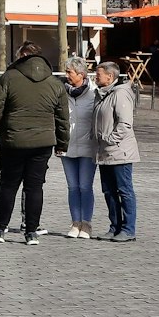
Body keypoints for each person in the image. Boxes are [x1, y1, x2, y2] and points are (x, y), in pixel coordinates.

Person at [0, 41, 70, 244]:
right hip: (43, 142)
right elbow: (63, 118)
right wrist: (62, 144)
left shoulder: (9, 78)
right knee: (34, 187)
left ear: (21, 56)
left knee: (8, 185)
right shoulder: (55, 83)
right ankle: (31, 232)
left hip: (13, 140)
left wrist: (4, 127)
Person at [94, 61, 140, 242]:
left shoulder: (120, 95)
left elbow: (125, 123)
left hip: (119, 152)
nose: (95, 77)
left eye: (98, 75)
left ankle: (128, 229)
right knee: (109, 191)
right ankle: (115, 227)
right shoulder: (103, 94)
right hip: (105, 152)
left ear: (110, 76)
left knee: (124, 190)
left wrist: (109, 140)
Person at [61, 60, 99, 239]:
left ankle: (87, 223)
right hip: (67, 146)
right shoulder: (62, 92)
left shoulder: (93, 93)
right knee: (72, 187)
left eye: (70, 72)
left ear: (81, 74)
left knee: (85, 186)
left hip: (87, 146)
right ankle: (75, 222)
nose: (66, 75)